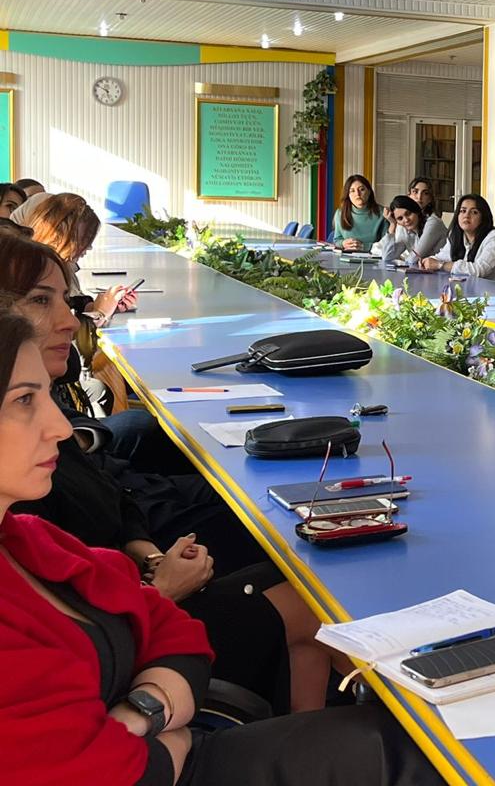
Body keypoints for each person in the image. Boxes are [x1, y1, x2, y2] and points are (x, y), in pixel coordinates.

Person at [0, 314, 443, 786]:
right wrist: (165, 733)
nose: (60, 427)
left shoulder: (30, 541)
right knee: (406, 752)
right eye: (24, 400)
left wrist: (144, 713)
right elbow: (114, 773)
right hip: (174, 763)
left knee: (391, 735)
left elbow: (178, 633)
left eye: (47, 397)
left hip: (175, 744)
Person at [0, 236, 339, 713]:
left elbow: (109, 502)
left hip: (145, 600)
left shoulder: (31, 510)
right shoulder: (25, 489)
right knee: (304, 586)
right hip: (139, 636)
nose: (70, 320)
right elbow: (82, 664)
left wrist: (151, 560)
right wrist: (161, 593)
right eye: (40, 300)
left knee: (298, 576)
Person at [25, 192, 138, 322]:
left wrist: (101, 307)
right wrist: (100, 314)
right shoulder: (39, 274)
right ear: (61, 235)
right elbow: (61, 327)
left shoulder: (59, 265)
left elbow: (72, 303)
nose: (88, 247)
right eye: (84, 239)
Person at [418, 194, 495, 283]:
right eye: (463, 211)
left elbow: (478, 271)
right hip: (472, 287)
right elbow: (442, 257)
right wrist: (428, 261)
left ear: (483, 217)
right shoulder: (457, 235)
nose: (466, 215)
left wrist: (440, 265)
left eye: (474, 212)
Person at [330, 175, 386, 252]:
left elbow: (387, 244)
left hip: (374, 256)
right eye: (352, 191)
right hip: (347, 256)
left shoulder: (382, 213)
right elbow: (337, 240)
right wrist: (343, 243)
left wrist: (365, 247)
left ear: (369, 191)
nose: (357, 194)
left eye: (362, 189)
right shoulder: (340, 213)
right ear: (348, 195)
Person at [371, 195, 426, 266]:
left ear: (416, 210)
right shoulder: (403, 230)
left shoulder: (429, 225)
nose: (406, 220)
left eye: (408, 214)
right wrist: (392, 224)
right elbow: (387, 256)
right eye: (400, 218)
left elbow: (414, 259)